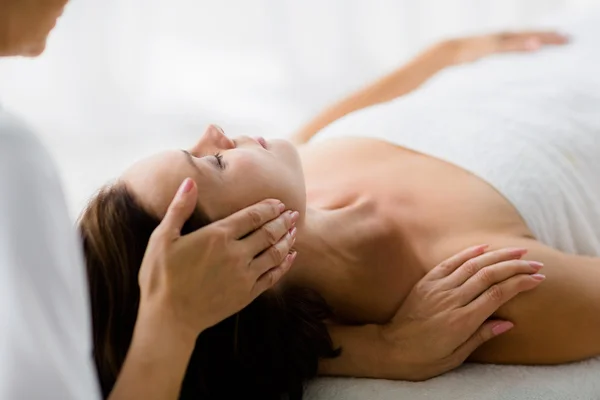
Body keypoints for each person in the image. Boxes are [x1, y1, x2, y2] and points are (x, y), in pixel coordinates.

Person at [0, 1, 547, 399]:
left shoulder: (306, 169)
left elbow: (307, 136)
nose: (215, 131)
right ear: (250, 257)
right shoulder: (15, 157)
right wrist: (378, 349)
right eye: (209, 163)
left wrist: (443, 55)